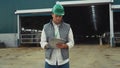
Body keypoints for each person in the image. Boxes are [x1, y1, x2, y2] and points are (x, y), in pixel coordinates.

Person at [40, 4, 74, 68]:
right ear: (52, 14)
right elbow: (42, 42)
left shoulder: (67, 27)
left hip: (64, 62)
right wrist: (47, 45)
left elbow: (71, 42)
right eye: (56, 16)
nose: (58, 18)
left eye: (60, 16)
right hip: (50, 61)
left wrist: (65, 45)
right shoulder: (46, 27)